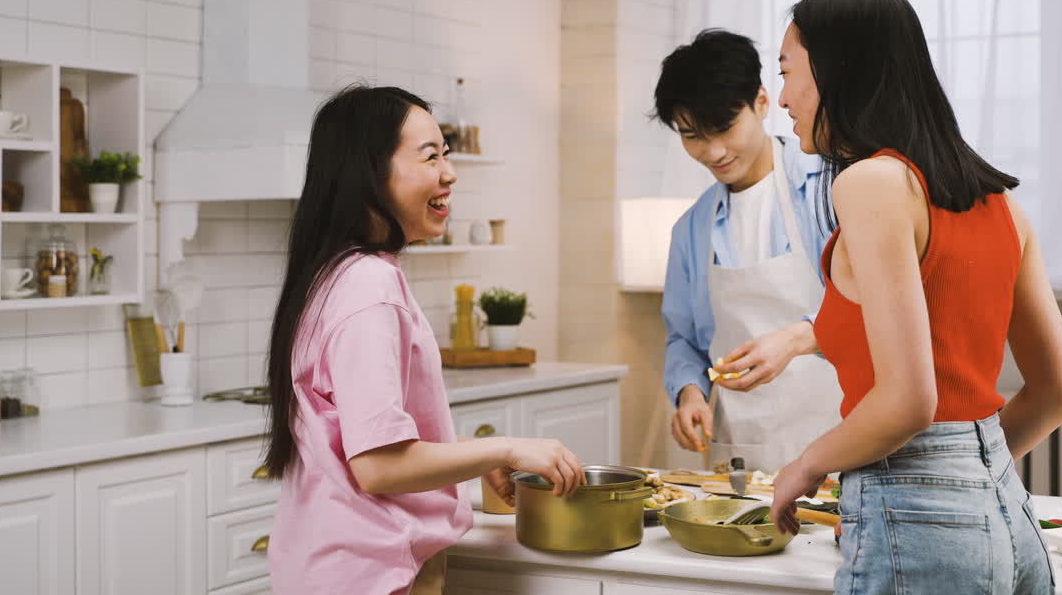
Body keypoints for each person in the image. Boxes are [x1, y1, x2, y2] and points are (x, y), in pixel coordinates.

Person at [767, 0, 1062, 595]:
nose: (782, 98)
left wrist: (807, 466)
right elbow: (1056, 396)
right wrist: (961, 481)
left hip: (921, 513)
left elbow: (909, 402)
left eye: (787, 72)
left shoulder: (870, 184)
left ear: (838, 69)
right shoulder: (1002, 205)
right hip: (1009, 517)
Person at [263, 85, 585, 595]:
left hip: (329, 567)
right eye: (431, 156)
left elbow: (363, 445)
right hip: (367, 574)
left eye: (447, 155)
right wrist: (508, 446)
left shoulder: (333, 274)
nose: (449, 174)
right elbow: (378, 466)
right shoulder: (369, 284)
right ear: (370, 172)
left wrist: (484, 455)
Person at [653, 29, 843, 472]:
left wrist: (797, 339)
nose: (713, 151)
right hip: (742, 452)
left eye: (724, 128)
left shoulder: (831, 189)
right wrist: (690, 393)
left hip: (839, 440)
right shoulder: (691, 230)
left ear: (761, 101)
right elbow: (684, 339)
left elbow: (874, 309)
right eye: (692, 135)